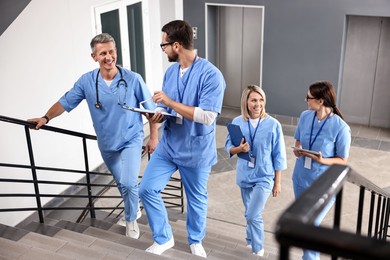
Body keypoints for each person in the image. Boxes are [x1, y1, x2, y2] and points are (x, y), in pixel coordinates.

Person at [27, 33, 158, 240]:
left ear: (116, 52)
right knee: (121, 183)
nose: (109, 57)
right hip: (107, 143)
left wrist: (153, 137)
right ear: (94, 57)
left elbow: (151, 111)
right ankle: (134, 208)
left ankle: (131, 219)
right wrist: (45, 117)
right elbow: (65, 102)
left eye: (112, 51)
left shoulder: (133, 79)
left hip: (131, 138)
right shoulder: (87, 82)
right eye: (103, 53)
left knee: (130, 182)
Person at [138, 20, 226, 258]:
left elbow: (207, 116)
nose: (163, 49)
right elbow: (165, 105)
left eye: (163, 44)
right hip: (169, 145)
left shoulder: (211, 75)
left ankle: (196, 239)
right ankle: (164, 237)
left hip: (195, 149)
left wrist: (168, 103)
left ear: (176, 45)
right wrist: (156, 114)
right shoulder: (171, 72)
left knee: (196, 200)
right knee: (146, 189)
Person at [292, 80, 351, 260]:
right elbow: (298, 140)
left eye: (309, 98)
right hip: (300, 179)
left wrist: (322, 160)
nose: (305, 100)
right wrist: (298, 150)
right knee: (305, 224)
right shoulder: (305, 116)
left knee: (312, 223)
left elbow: (343, 160)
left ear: (321, 101)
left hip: (323, 184)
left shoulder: (341, 127)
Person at [225, 85, 287, 256]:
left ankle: (258, 248)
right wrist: (240, 149)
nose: (258, 104)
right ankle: (250, 239)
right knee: (248, 211)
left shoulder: (273, 124)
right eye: (254, 100)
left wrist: (278, 182)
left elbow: (279, 155)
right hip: (245, 174)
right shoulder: (237, 122)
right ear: (246, 101)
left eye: (260, 100)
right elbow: (229, 147)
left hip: (264, 176)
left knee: (253, 214)